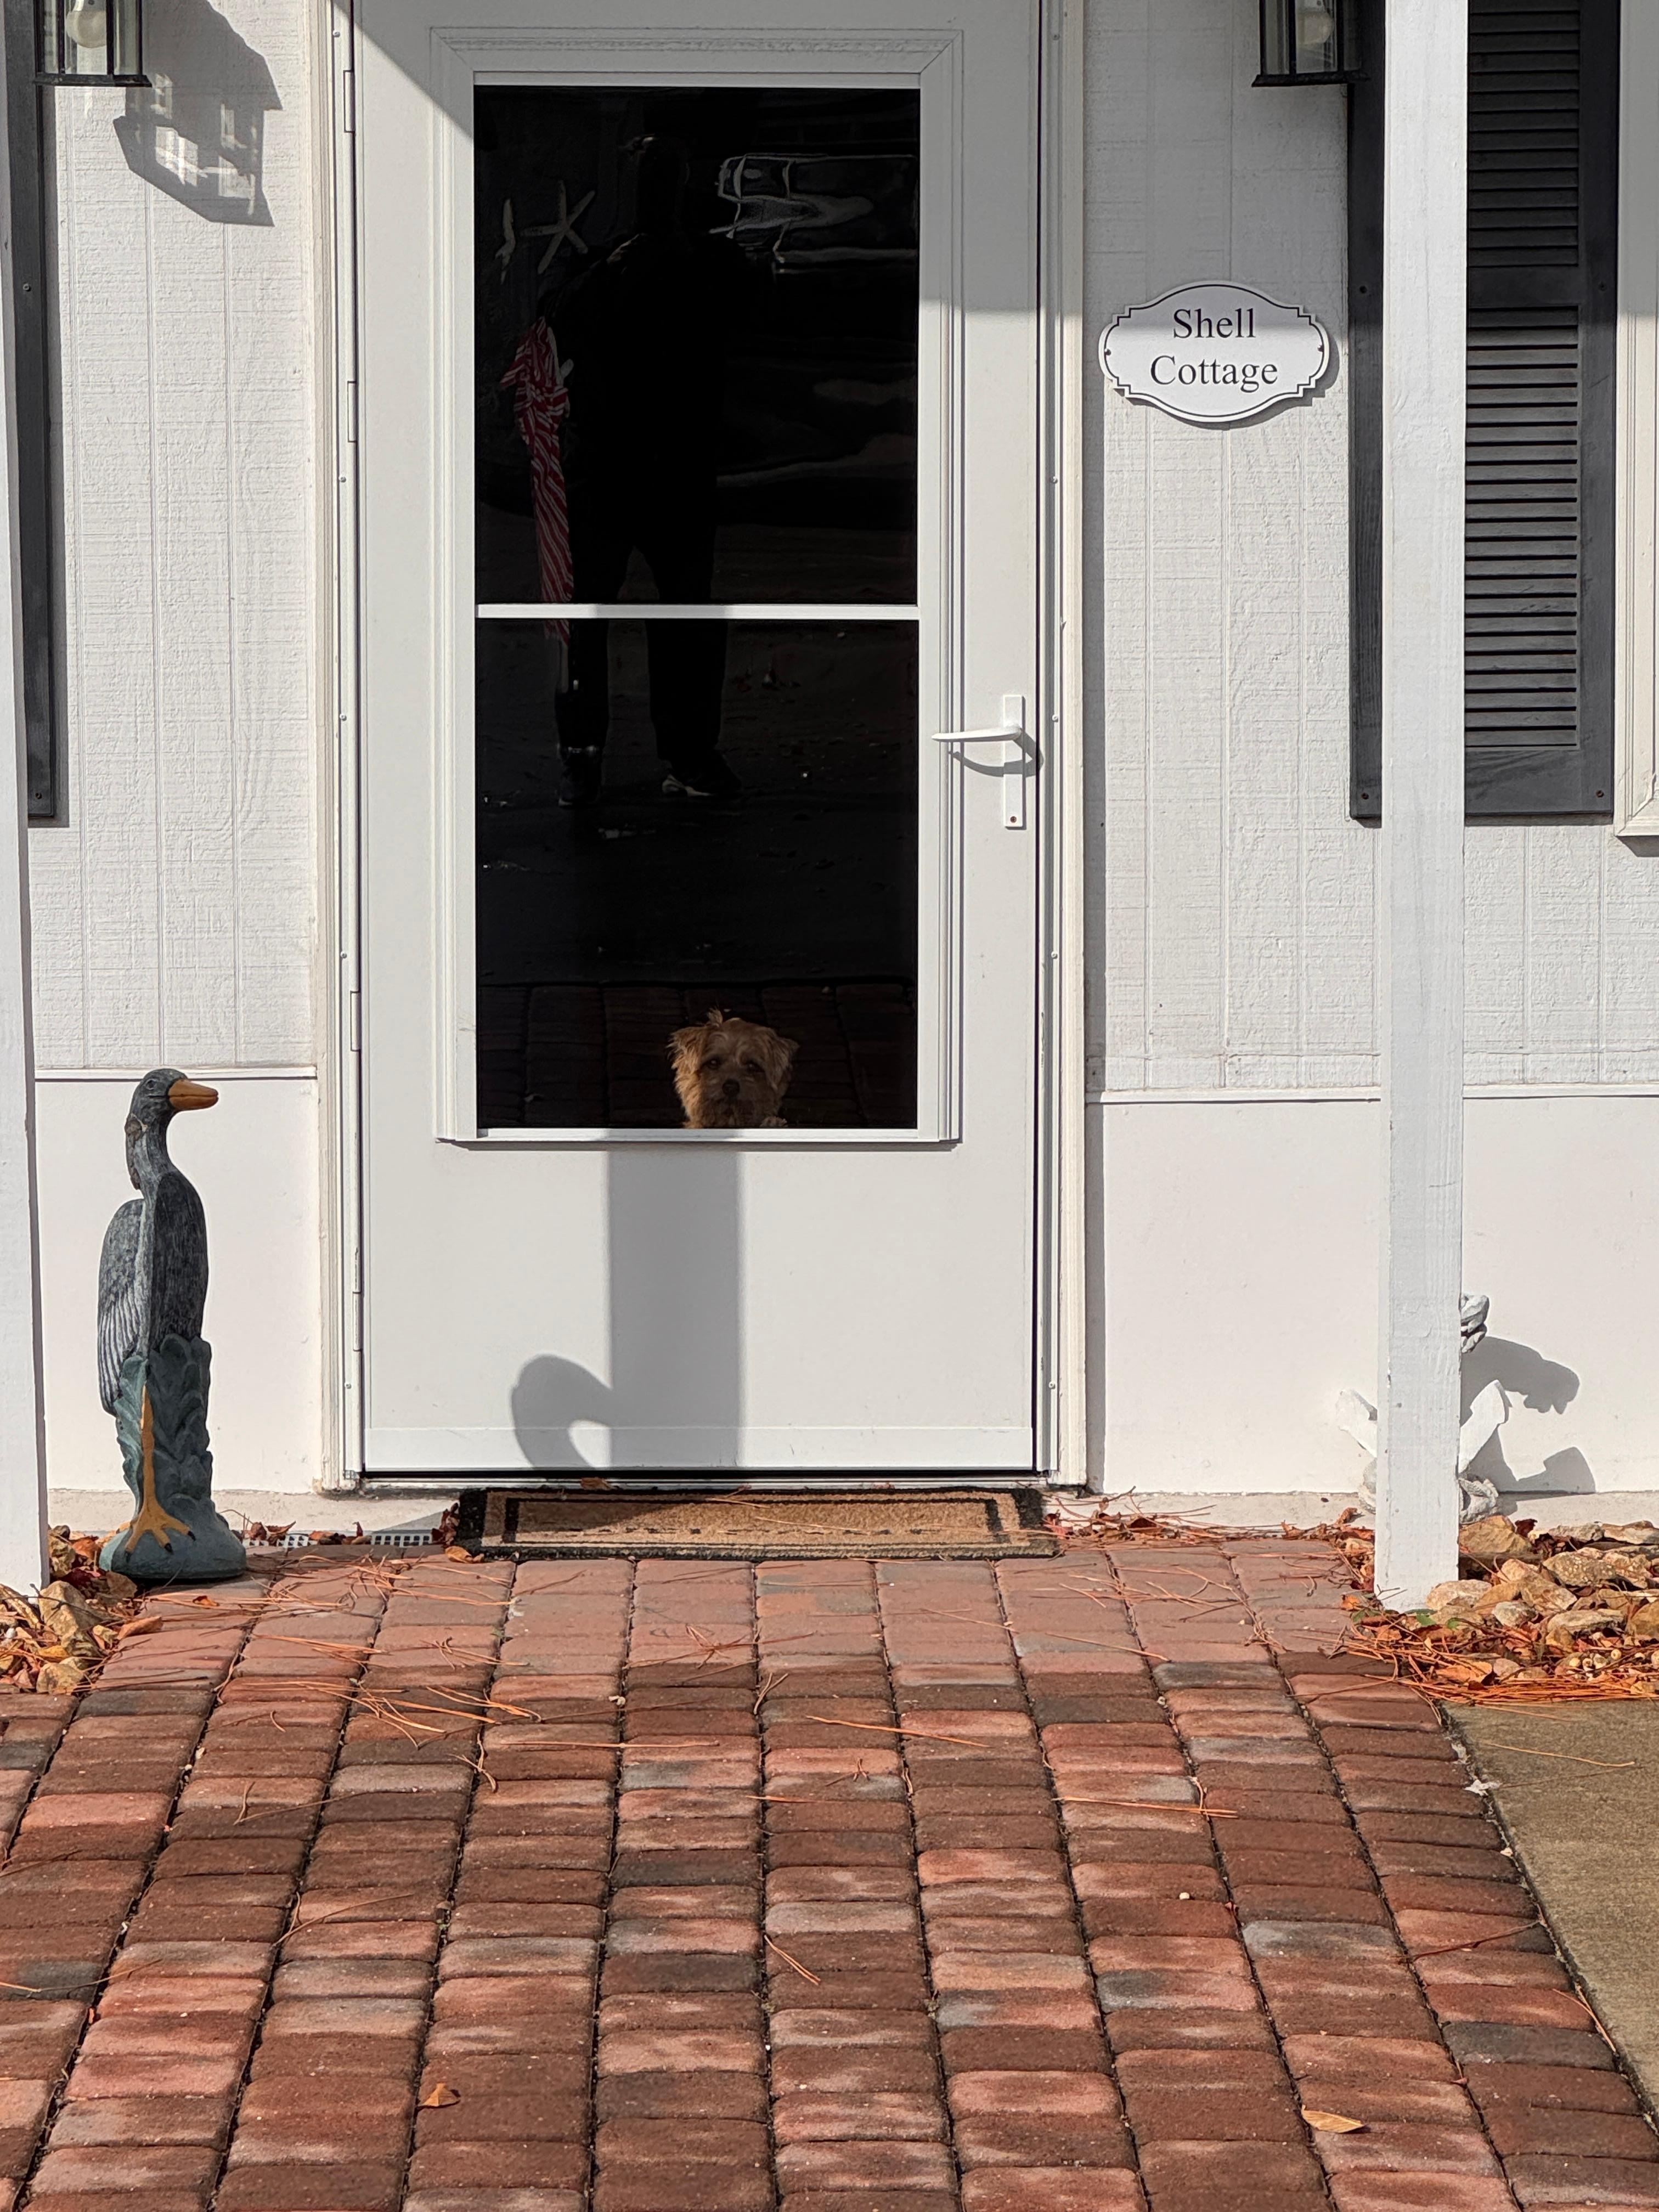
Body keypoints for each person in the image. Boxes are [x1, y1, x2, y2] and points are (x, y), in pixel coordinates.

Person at [549, 135, 751, 808]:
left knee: (607, 615)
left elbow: (560, 324)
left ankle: (595, 755)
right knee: (669, 611)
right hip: (652, 462)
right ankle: (662, 754)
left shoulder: (624, 262)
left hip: (630, 461)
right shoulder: (647, 262)